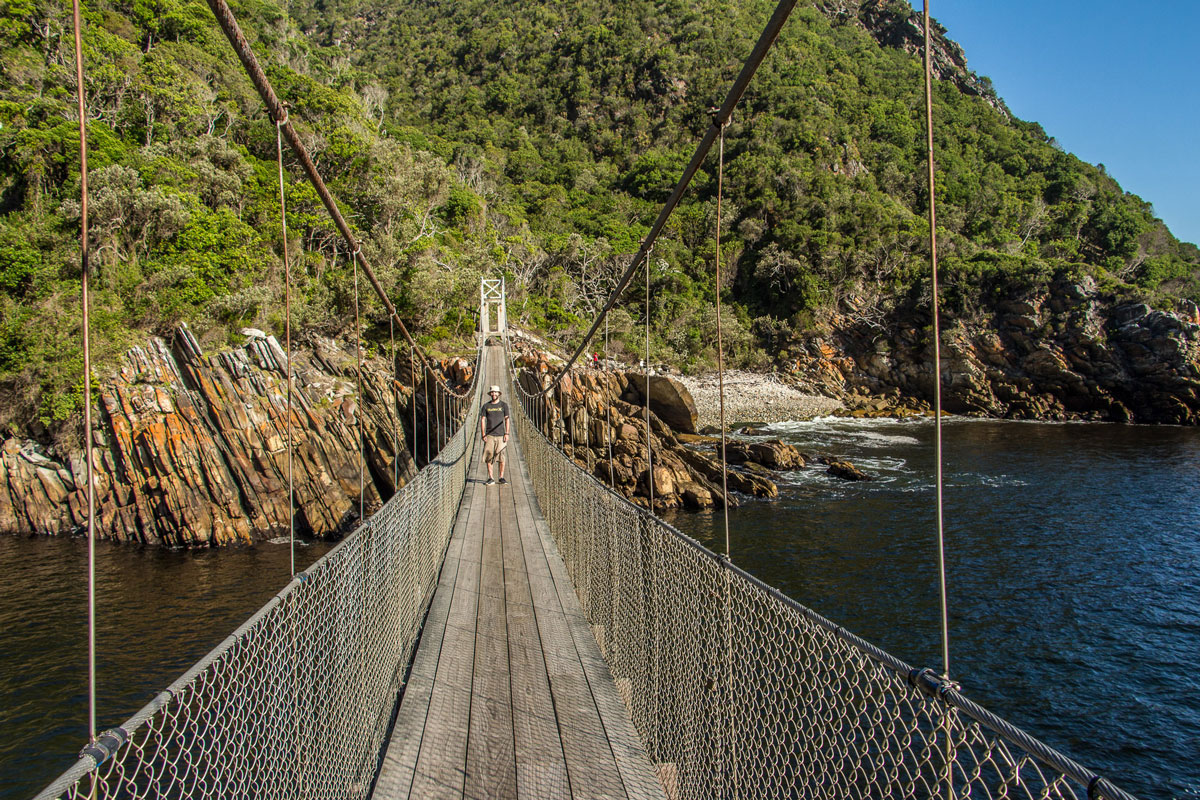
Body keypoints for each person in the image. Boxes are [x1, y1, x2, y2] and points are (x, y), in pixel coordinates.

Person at [479, 385, 510, 485]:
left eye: (496, 392)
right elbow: (483, 420)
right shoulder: (486, 406)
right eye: (492, 392)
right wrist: (483, 434)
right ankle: (491, 478)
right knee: (489, 457)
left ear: (499, 394)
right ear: (490, 394)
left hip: (501, 435)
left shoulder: (504, 405)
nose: (494, 394)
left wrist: (507, 433)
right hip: (490, 435)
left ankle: (501, 477)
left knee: (502, 457)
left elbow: (507, 419)